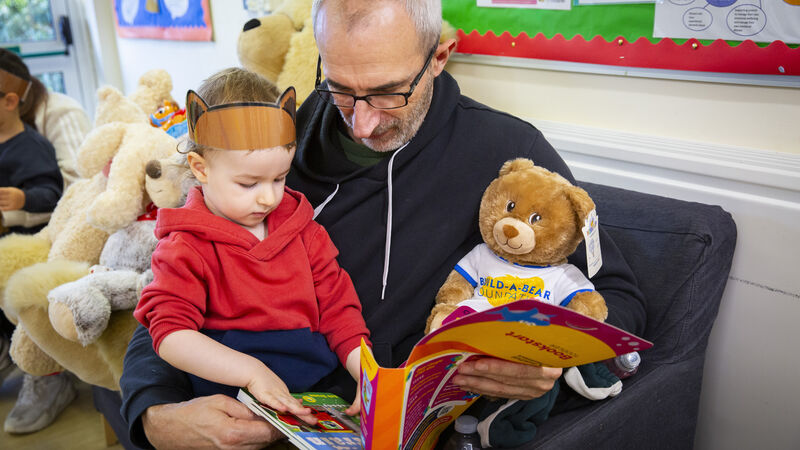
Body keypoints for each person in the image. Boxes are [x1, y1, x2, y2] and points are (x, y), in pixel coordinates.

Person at [120, 1, 647, 447]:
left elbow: (618, 298)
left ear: (440, 56)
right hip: (249, 400)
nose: (362, 120)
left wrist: (540, 358)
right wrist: (154, 413)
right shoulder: (275, 147)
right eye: (340, 88)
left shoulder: (509, 154)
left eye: (388, 93)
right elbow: (175, 287)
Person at [132, 67, 371, 423]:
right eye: (248, 183)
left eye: (279, 177)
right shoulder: (185, 246)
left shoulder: (303, 230)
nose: (269, 197)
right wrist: (251, 372)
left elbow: (339, 309)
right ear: (200, 169)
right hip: (231, 405)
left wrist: (366, 373)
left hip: (317, 398)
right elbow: (170, 335)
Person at [0, 48, 77, 435]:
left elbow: (57, 193)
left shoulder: (32, 144)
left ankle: (44, 367)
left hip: (31, 237)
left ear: (12, 100)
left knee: (18, 280)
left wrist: (21, 201)